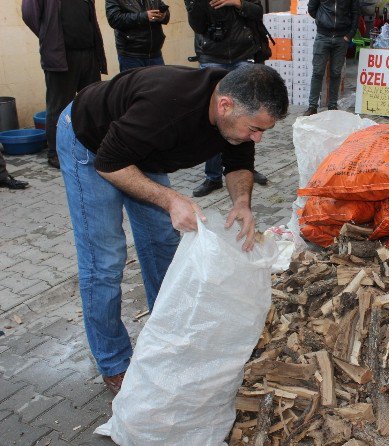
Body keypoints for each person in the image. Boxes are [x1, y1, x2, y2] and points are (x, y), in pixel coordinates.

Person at [55, 64, 288, 394]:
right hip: (91, 143)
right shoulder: (168, 107)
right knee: (104, 260)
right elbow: (108, 163)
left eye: (263, 131)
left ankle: (167, 335)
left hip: (142, 150)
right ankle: (113, 362)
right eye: (254, 129)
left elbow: (238, 162)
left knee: (163, 244)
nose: (258, 137)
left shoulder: (236, 109)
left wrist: (242, 203)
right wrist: (169, 200)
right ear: (225, 106)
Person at [185, 0, 270, 197]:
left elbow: (257, 11)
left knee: (248, 116)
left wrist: (236, 2)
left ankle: (245, 168)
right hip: (212, 57)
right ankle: (213, 177)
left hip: (243, 56)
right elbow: (197, 25)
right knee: (214, 120)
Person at [22, 0, 107, 169]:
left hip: (88, 53)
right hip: (61, 57)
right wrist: (49, 36)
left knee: (92, 105)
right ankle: (55, 153)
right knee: (58, 108)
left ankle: (95, 148)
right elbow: (29, 15)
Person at [303, 0, 360, 116]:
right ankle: (312, 106)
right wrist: (322, 20)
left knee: (336, 72)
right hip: (323, 36)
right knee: (318, 72)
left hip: (341, 38)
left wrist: (349, 35)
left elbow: (355, 13)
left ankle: (332, 105)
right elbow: (312, 8)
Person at [105, 0, 170, 72]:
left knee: (159, 83)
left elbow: (165, 12)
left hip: (155, 53)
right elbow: (114, 19)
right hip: (131, 56)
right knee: (135, 83)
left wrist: (163, 16)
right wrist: (144, 16)